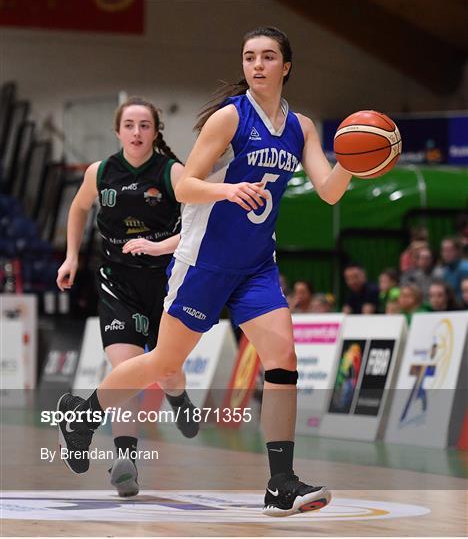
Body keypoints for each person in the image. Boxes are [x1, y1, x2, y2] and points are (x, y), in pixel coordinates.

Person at [57, 27, 354, 516]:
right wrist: (228, 191)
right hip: (206, 260)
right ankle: (83, 414)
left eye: (267, 57)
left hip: (256, 264)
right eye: (249, 57)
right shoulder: (228, 119)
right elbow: (185, 186)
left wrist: (357, 163)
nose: (257, 65)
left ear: (287, 66)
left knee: (283, 355)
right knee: (163, 363)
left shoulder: (301, 127)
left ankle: (281, 482)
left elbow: (329, 190)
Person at [56, 96, 198, 497]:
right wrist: (70, 257)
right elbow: (79, 208)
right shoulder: (100, 172)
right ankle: (125, 461)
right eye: (130, 125)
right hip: (118, 282)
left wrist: (157, 247)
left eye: (144, 125)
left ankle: (179, 395)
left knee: (167, 370)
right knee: (126, 370)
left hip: (166, 280)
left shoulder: (172, 173)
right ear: (118, 131)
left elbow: (195, 227)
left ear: (155, 132)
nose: (137, 132)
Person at [432, 237, 468, 302]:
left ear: (458, 251)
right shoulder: (443, 271)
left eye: (449, 250)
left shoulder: (465, 268)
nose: (446, 254)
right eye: (444, 250)